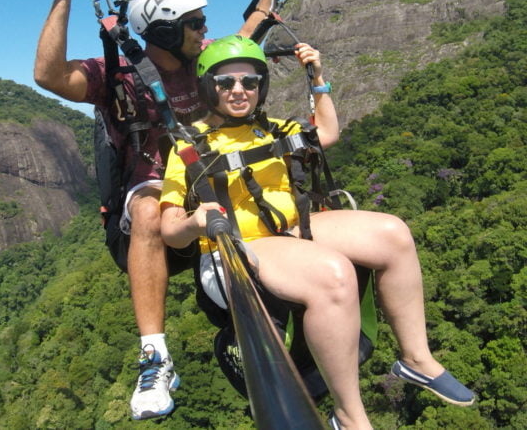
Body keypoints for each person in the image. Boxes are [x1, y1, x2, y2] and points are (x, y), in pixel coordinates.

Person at [159, 35, 475, 429]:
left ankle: (416, 359)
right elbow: (170, 230)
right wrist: (194, 221)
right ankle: (350, 415)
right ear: (209, 87)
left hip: (289, 230)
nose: (239, 90)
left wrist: (318, 78)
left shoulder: (274, 129)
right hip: (235, 248)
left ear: (261, 86)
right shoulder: (189, 146)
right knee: (334, 274)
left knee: (394, 234)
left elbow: (326, 133)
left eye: (250, 81)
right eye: (226, 82)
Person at [33, 0, 269, 420]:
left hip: (209, 179)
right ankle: (155, 356)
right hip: (156, 185)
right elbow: (49, 75)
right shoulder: (117, 74)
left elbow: (249, 30)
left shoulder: (207, 63)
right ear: (164, 29)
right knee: (145, 209)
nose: (205, 31)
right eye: (196, 24)